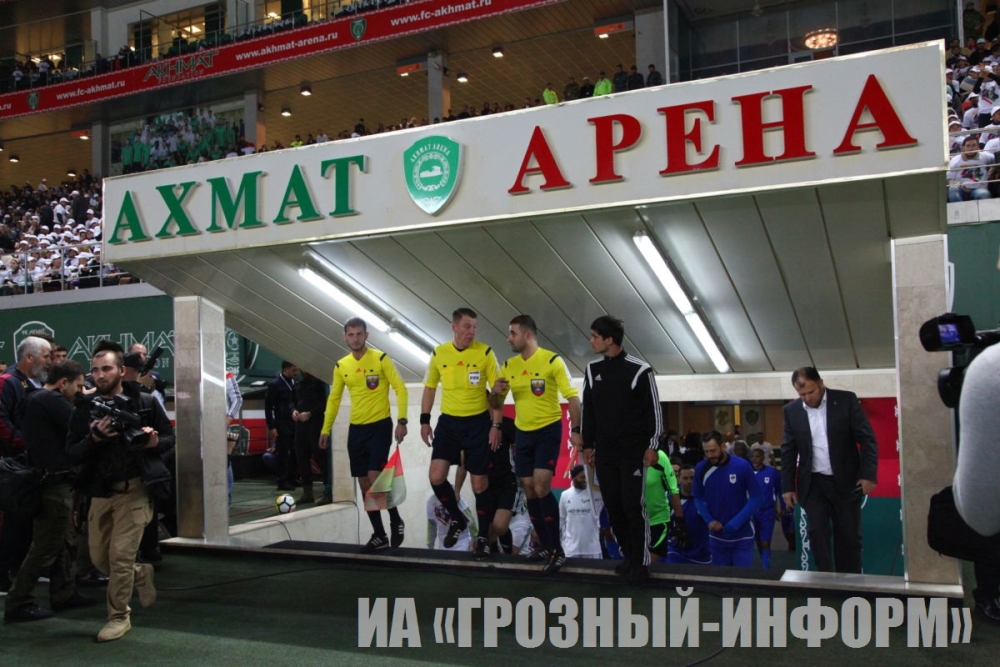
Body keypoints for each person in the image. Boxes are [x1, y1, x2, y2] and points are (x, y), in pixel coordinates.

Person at [67, 346, 174, 642]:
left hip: (136, 489)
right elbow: (71, 453)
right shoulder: (83, 409)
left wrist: (153, 443)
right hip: (100, 491)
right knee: (100, 559)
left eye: (107, 369)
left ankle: (118, 616)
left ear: (121, 371)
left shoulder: (145, 401)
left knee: (120, 556)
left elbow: (169, 437)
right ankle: (139, 572)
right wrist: (93, 438)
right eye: (96, 370)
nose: (100, 375)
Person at [490, 314, 582, 572]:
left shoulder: (552, 361)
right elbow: (496, 404)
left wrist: (576, 430)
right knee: (529, 489)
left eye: (513, 333)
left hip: (548, 430)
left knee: (542, 486)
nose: (508, 338)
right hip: (523, 433)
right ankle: (543, 545)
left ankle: (556, 549)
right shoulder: (508, 365)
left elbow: (573, 398)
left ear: (527, 335)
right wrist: (495, 393)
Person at [4, 360, 94, 622]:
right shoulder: (51, 400)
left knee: (63, 542)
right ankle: (19, 601)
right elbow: (81, 429)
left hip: (48, 480)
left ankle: (63, 592)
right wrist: (86, 403)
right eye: (78, 386)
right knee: (45, 547)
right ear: (63, 382)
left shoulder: (33, 398)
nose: (80, 392)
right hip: (54, 484)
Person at [581, 315, 662, 585]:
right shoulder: (592, 370)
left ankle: (641, 561)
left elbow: (654, 411)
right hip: (605, 453)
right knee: (613, 506)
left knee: (632, 505)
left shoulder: (640, 370)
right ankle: (628, 556)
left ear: (609, 339)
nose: (591, 341)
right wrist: (588, 444)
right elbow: (588, 410)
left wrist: (652, 445)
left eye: (595, 336)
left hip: (632, 453)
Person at [421, 308, 502, 561]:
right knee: (436, 476)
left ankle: (483, 538)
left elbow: (497, 393)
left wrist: (496, 425)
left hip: (478, 424)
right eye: (467, 326)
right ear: (454, 327)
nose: (472, 332)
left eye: (474, 327)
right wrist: (424, 421)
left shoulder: (486, 353)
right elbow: (429, 388)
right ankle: (457, 518)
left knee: (479, 485)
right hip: (449, 424)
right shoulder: (439, 353)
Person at [320, 318, 408, 552]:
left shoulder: (380, 359)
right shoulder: (341, 366)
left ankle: (396, 519)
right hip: (356, 430)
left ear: (366, 335)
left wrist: (402, 421)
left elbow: (400, 388)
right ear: (345, 337)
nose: (355, 339)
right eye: (351, 335)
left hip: (380, 426)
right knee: (363, 483)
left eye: (359, 334)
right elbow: (334, 399)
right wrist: (325, 428)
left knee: (374, 476)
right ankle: (380, 535)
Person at [781, 367, 878, 574]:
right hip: (813, 483)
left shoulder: (846, 401)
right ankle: (824, 577)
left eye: (811, 392)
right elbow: (789, 449)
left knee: (849, 536)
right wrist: (787, 486)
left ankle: (849, 582)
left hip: (846, 480)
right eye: (802, 394)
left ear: (821, 383)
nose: (807, 398)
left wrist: (868, 475)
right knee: (817, 532)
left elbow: (867, 439)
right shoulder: (792, 411)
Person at [0, 336, 52, 592]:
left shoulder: (37, 384)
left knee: (25, 520)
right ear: (29, 357)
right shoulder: (8, 382)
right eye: (46, 356)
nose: (50, 361)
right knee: (10, 521)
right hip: (12, 464)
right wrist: (25, 444)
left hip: (30, 464)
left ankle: (22, 570)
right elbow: (1, 420)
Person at [693, 430, 763, 567]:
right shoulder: (701, 468)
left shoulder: (742, 465)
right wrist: (709, 520)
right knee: (720, 578)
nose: (710, 455)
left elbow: (757, 497)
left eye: (713, 451)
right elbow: (698, 497)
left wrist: (736, 522)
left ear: (723, 446)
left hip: (742, 536)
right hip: (716, 537)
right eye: (706, 452)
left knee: (741, 577)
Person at [292, 371, 327, 505]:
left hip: (316, 425)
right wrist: (293, 411)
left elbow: (325, 403)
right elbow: (292, 401)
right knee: (301, 457)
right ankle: (307, 492)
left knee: (320, 456)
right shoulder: (297, 381)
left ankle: (328, 490)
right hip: (300, 426)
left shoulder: (319, 381)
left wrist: (310, 414)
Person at [646, 448, 685, 560]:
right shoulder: (624, 455)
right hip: (633, 518)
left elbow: (673, 489)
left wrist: (680, 522)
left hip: (658, 518)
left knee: (651, 560)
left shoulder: (661, 457)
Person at [666, 465, 711, 565]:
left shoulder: (706, 499)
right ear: (679, 480)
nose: (689, 481)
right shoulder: (671, 499)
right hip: (676, 551)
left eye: (692, 478)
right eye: (685, 478)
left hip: (701, 553)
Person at [265, 361, 299, 491]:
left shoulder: (295, 382)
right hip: (281, 423)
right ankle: (282, 480)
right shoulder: (275, 384)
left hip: (294, 422)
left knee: (295, 451)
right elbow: (268, 407)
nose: (296, 373)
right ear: (286, 369)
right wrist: (272, 426)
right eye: (293, 370)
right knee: (283, 452)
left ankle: (293, 478)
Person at [558, 464, 603, 559]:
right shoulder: (565, 495)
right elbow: (560, 521)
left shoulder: (595, 494)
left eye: (586, 477)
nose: (585, 480)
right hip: (570, 551)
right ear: (573, 478)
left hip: (593, 550)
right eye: (582, 477)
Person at [750, 444, 781, 568]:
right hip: (751, 513)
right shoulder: (747, 473)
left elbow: (779, 490)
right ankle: (764, 559)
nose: (755, 459)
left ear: (763, 458)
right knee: (758, 541)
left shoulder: (772, 472)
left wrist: (782, 508)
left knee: (765, 542)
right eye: (753, 456)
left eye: (757, 456)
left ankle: (765, 568)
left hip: (767, 512)